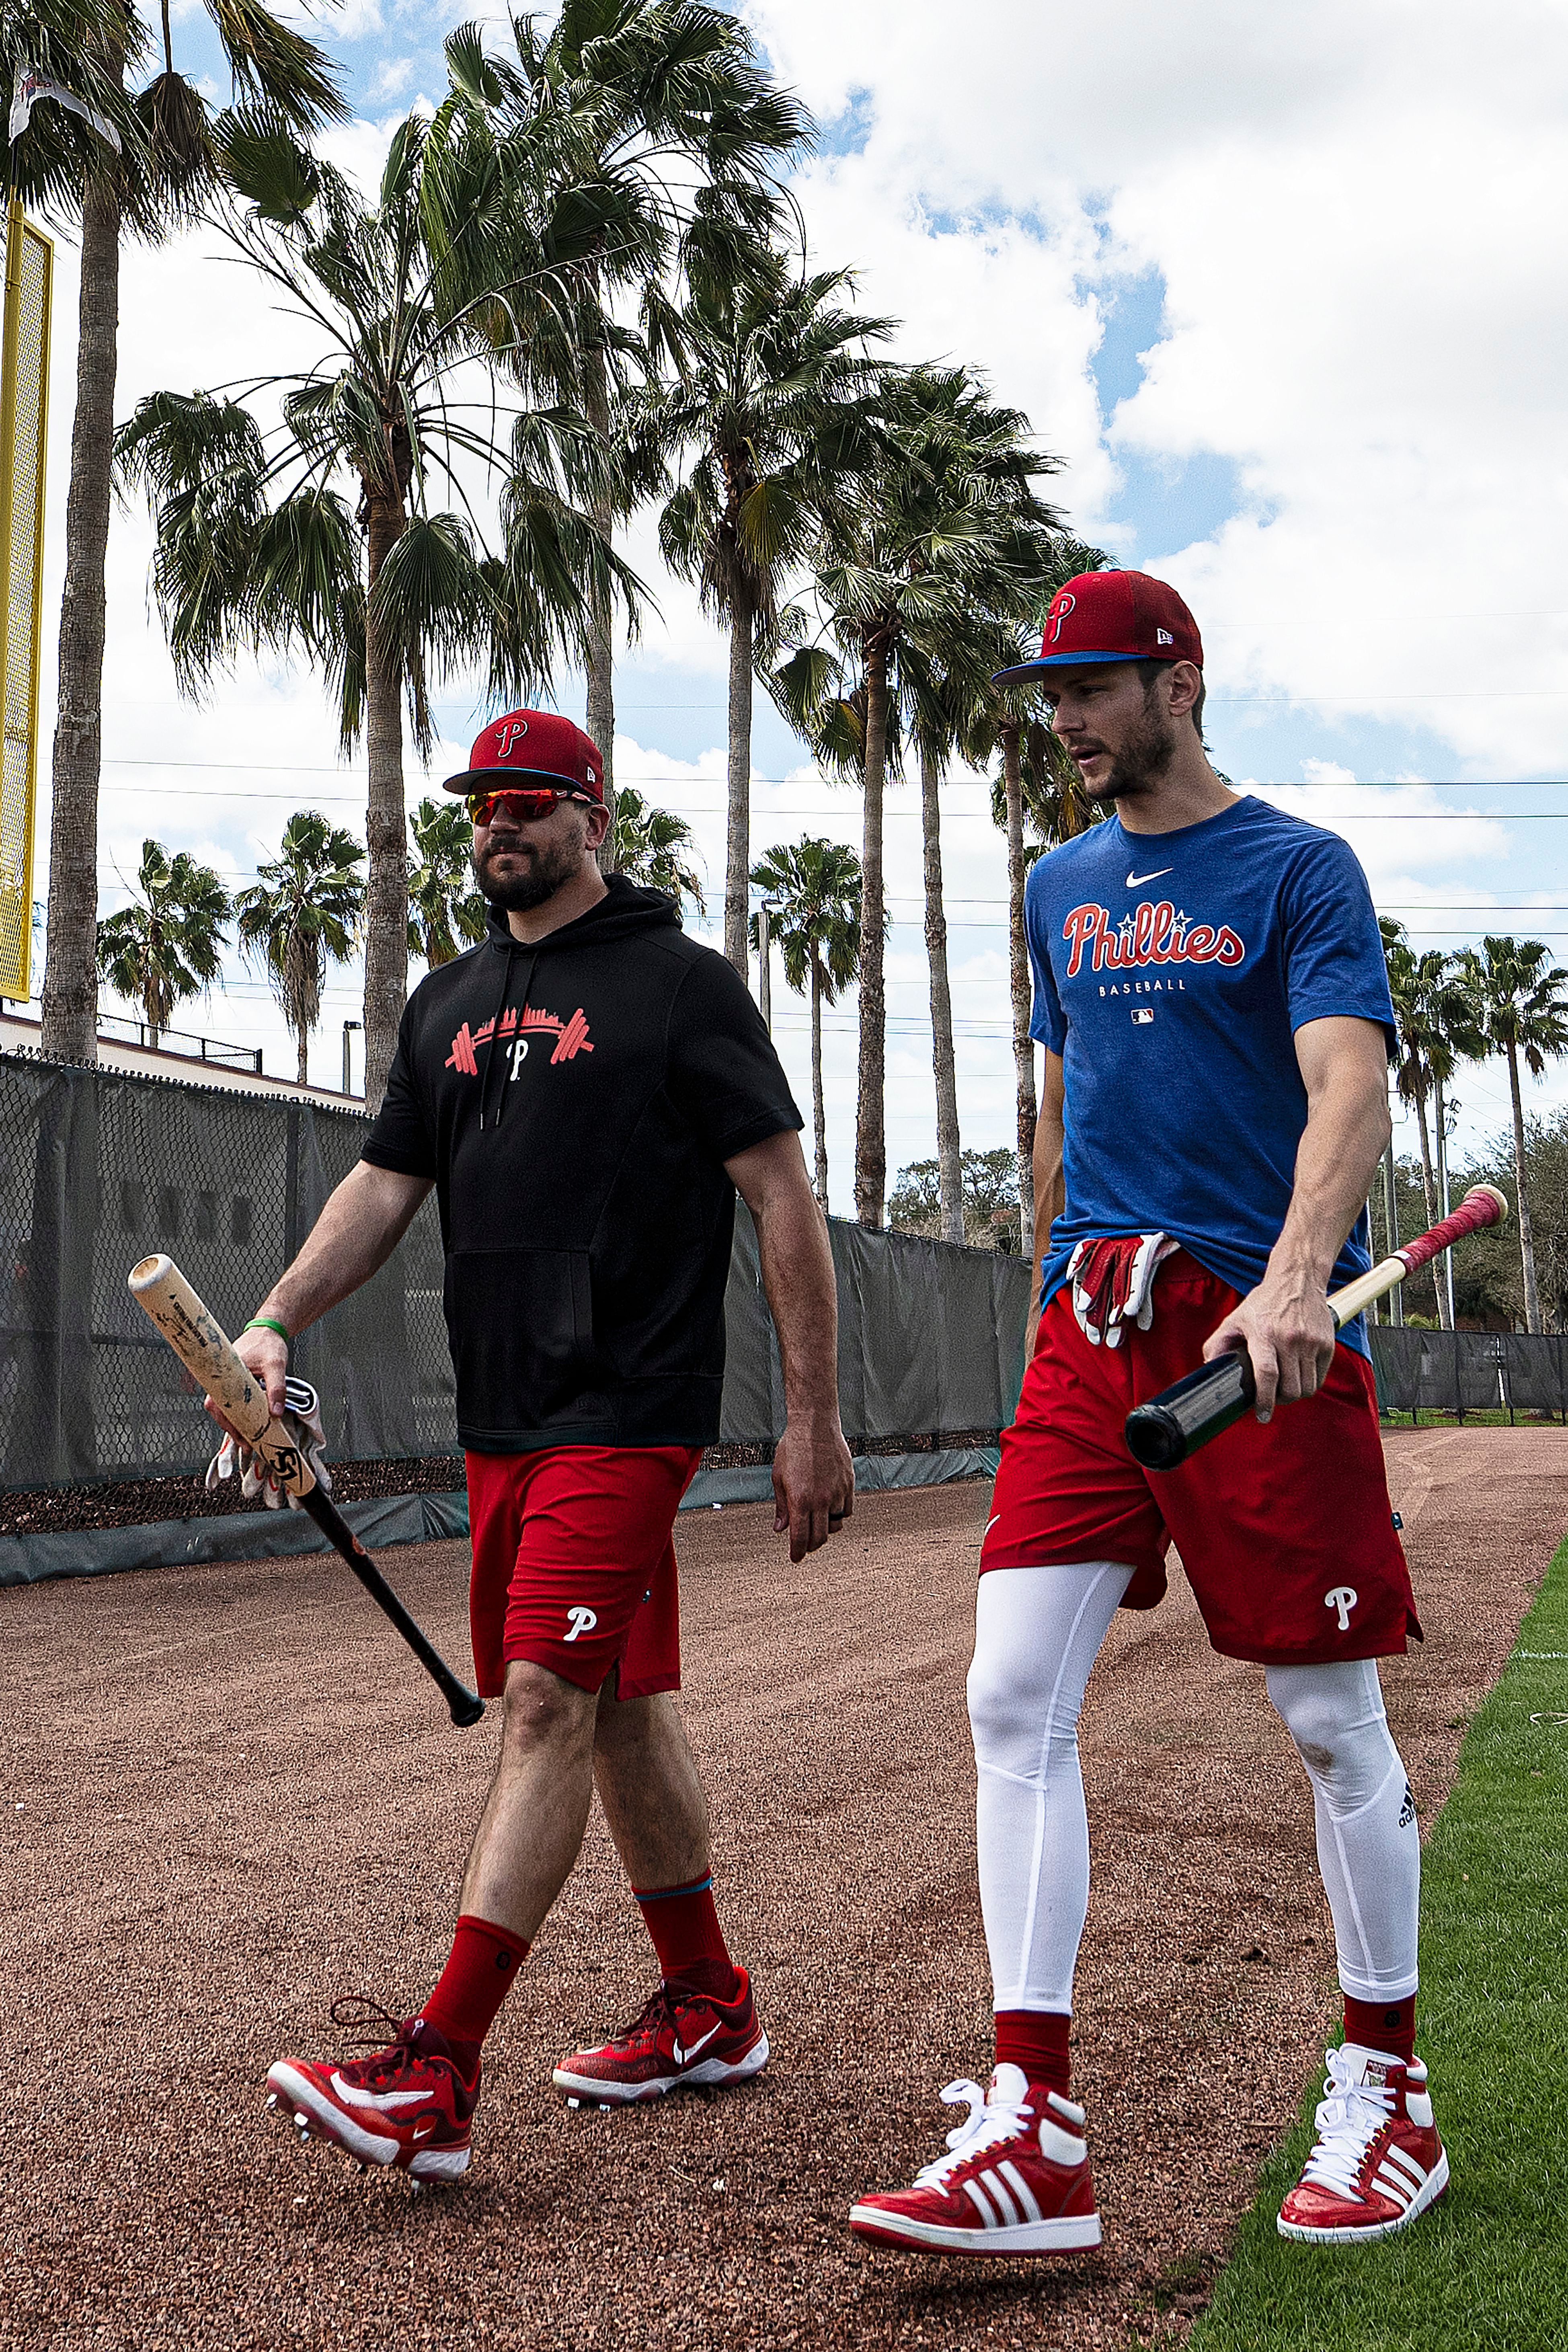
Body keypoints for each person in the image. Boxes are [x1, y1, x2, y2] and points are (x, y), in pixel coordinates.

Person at [851, 571, 1444, 2256]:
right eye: (1051, 695)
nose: (1065, 720)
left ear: (1179, 680)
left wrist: (1292, 1275)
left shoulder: (1299, 866)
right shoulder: (1059, 885)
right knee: (1009, 1691)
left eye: (1092, 689)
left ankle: (1388, 2092)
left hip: (1254, 1328)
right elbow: (1064, 1103)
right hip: (1090, 1327)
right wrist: (1049, 1277)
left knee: (1331, 1718)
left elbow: (1348, 1078)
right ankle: (1032, 2122)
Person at [221, 708, 854, 2182]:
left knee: (544, 1699)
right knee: (623, 1702)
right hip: (503, 1414)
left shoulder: (681, 989)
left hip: (628, 1409)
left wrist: (812, 1417)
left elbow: (781, 1201)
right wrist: (273, 1319)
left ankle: (434, 2072)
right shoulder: (447, 999)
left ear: (594, 820)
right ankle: (708, 2003)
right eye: (480, 805)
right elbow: (384, 1186)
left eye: (526, 801)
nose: (497, 824)